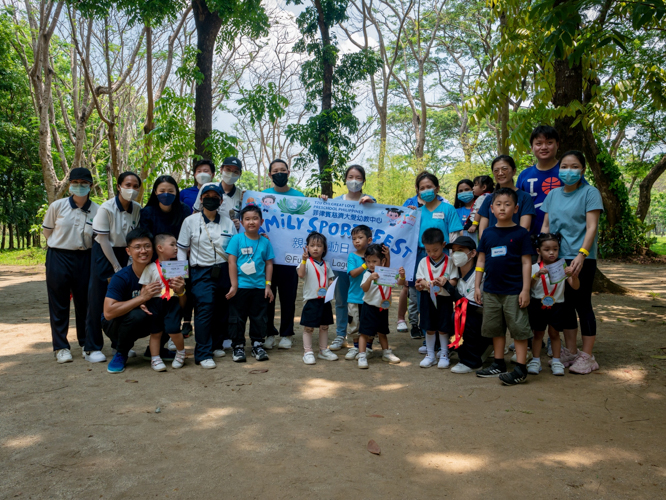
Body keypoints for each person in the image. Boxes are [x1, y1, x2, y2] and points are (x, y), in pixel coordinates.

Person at [541, 150, 603, 374]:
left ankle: (588, 356)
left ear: (583, 169)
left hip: (582, 257)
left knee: (582, 303)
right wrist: (542, 252)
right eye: (564, 167)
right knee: (564, 304)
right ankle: (570, 351)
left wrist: (582, 254)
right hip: (556, 258)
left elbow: (592, 226)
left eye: (574, 166)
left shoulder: (590, 193)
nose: (569, 171)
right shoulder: (552, 195)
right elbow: (546, 227)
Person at [104, 228, 185, 374]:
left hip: (153, 314)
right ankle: (121, 352)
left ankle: (155, 351)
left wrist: (181, 291)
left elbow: (182, 304)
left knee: (168, 309)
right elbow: (108, 313)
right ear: (128, 251)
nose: (143, 251)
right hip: (116, 324)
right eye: (137, 247)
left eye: (147, 246)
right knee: (138, 315)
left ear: (153, 249)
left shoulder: (168, 270)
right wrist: (142, 298)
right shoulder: (122, 277)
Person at [474, 188, 533, 386]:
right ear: (491, 208)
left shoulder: (521, 233)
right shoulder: (488, 233)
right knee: (495, 329)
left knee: (518, 329)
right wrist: (477, 286)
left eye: (507, 204)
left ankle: (521, 369)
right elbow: (481, 260)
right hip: (490, 290)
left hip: (514, 291)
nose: (502, 208)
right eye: (498, 204)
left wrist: (525, 289)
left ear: (516, 208)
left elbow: (527, 263)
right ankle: (498, 363)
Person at [42, 168, 100, 363]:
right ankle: (61, 347)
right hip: (58, 256)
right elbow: (48, 232)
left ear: (91, 186)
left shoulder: (98, 210)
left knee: (85, 302)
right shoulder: (57, 207)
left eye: (84, 183)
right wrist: (62, 246)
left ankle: (86, 343)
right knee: (59, 302)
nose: (79, 186)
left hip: (85, 258)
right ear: (69, 185)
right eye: (75, 182)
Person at [84, 171, 142, 364]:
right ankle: (91, 347)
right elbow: (102, 239)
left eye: (135, 186)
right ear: (118, 186)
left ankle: (119, 344)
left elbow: (135, 238)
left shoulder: (137, 209)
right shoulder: (106, 208)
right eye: (127, 185)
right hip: (104, 253)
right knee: (98, 298)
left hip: (126, 254)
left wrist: (128, 262)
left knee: (122, 299)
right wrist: (117, 266)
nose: (131, 190)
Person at [177, 184, 237, 368]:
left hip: (224, 270)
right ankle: (203, 353)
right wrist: (182, 273)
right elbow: (181, 248)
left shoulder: (227, 222)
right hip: (200, 271)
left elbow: (234, 251)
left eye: (215, 196)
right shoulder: (190, 221)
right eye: (207, 196)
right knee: (204, 309)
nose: (211, 199)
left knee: (221, 309)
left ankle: (216, 344)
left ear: (220, 200)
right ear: (201, 199)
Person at [326, 165, 376, 351]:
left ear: (363, 180)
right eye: (350, 176)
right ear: (345, 179)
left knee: (365, 299)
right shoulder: (335, 202)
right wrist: (323, 202)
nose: (354, 180)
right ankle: (341, 335)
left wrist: (373, 204)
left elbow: (386, 219)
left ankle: (365, 337)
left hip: (364, 262)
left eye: (358, 177)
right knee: (341, 300)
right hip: (339, 261)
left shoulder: (372, 202)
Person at [397, 172, 448, 339]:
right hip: (417, 254)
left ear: (437, 188)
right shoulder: (414, 208)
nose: (426, 190)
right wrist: (408, 215)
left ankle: (443, 334)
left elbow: (454, 233)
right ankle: (424, 333)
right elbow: (400, 227)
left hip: (442, 256)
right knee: (419, 292)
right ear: (417, 190)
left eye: (429, 187)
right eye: (422, 188)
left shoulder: (446, 207)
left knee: (442, 292)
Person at [262, 158, 304, 350]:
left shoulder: (300, 197)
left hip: (290, 259)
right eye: (275, 171)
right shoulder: (262, 196)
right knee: (267, 298)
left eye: (283, 170)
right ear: (270, 175)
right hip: (267, 258)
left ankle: (286, 333)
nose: (279, 173)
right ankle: (268, 332)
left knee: (288, 298)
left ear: (288, 173)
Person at [527, 233, 580, 376]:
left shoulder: (563, 267)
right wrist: (536, 275)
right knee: (537, 333)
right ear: (538, 251)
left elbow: (575, 287)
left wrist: (572, 275)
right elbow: (529, 287)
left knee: (554, 333)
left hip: (557, 304)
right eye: (547, 249)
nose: (551, 252)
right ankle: (535, 360)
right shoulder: (534, 268)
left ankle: (557, 361)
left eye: (555, 249)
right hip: (538, 303)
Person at [226, 205, 275, 362]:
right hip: (240, 287)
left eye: (255, 218)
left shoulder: (265, 242)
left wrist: (268, 285)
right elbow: (231, 263)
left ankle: (257, 344)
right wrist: (234, 285)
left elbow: (269, 264)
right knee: (237, 318)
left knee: (259, 317)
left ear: (261, 221)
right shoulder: (237, 239)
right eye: (247, 219)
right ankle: (238, 346)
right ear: (241, 222)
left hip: (260, 287)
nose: (251, 222)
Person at [441, 236, 493, 374]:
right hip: (470, 318)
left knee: (459, 316)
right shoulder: (454, 273)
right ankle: (458, 349)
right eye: (453, 250)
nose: (455, 254)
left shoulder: (479, 275)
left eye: (461, 250)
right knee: (445, 313)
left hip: (481, 320)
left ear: (473, 253)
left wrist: (448, 286)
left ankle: (471, 362)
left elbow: (471, 307)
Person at [139, 234, 188, 371]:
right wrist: (142, 301)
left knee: (173, 330)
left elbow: (182, 289)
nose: (176, 248)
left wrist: (181, 287)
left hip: (172, 301)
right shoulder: (150, 268)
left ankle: (180, 353)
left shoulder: (179, 267)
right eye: (172, 245)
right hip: (155, 303)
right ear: (160, 248)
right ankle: (155, 358)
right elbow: (144, 287)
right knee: (156, 332)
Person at [415, 228, 458, 369]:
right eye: (428, 251)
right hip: (428, 298)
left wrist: (444, 283)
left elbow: (454, 281)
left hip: (444, 299)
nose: (432, 254)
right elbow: (419, 281)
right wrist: (425, 284)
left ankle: (444, 354)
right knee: (429, 327)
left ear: (443, 245)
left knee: (444, 327)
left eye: (435, 250)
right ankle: (430, 355)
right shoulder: (423, 262)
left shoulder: (450, 262)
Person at [357, 244, 404, 369]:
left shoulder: (386, 273)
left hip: (382, 308)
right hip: (369, 307)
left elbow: (400, 283)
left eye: (374, 261)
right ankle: (362, 355)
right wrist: (370, 279)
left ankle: (386, 352)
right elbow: (365, 289)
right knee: (364, 333)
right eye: (368, 261)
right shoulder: (367, 274)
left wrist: (402, 275)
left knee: (383, 332)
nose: (371, 264)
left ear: (382, 261)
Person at [297, 232, 337, 365]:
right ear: (307, 247)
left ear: (324, 248)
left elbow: (330, 279)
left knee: (324, 326)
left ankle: (323, 350)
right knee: (309, 327)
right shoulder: (306, 262)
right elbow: (301, 274)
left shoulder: (326, 264)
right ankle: (307, 352)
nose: (315, 248)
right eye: (312, 245)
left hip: (325, 300)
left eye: (319, 246)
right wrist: (303, 260)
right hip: (312, 300)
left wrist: (331, 283)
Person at [516, 125, 563, 238]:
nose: (544, 147)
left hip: (565, 238)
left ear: (557, 145)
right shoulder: (524, 175)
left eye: (549, 143)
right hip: (530, 237)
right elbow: (516, 206)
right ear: (532, 147)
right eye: (538, 144)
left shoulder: (568, 171)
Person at [477, 155, 535, 240]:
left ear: (514, 171)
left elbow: (525, 228)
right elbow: (482, 229)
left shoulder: (525, 197)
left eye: (504, 169)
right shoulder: (489, 198)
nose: (500, 173)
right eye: (496, 170)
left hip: (515, 247)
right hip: (492, 246)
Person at [344, 225, 373, 361]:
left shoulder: (374, 256)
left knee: (369, 323)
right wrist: (365, 265)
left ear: (369, 240)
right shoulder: (352, 256)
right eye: (354, 238)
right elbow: (353, 274)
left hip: (371, 298)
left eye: (360, 238)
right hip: (355, 297)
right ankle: (356, 347)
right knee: (354, 323)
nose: (356, 241)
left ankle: (368, 347)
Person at [192, 156, 244, 231]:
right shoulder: (207, 187)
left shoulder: (241, 195)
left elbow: (247, 219)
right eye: (228, 169)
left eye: (235, 171)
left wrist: (241, 225)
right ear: (221, 169)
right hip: (206, 232)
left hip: (229, 235)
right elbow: (196, 212)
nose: (231, 174)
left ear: (240, 174)